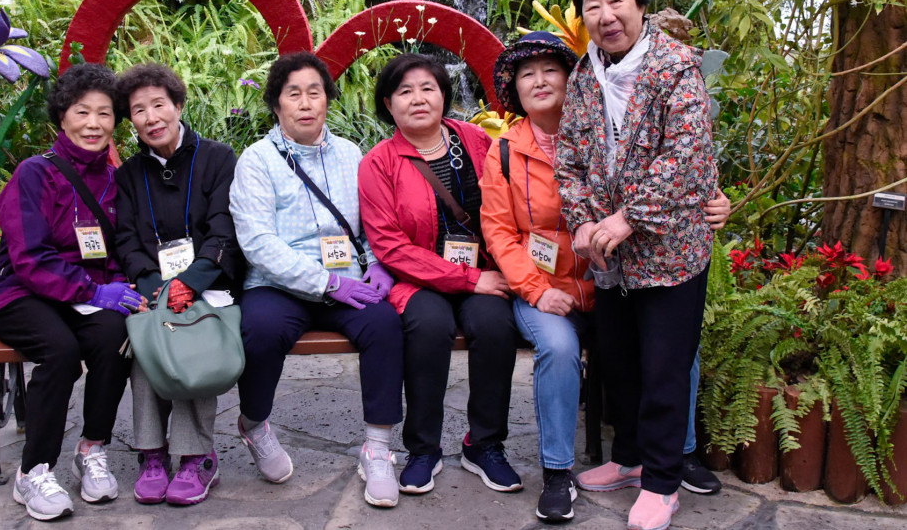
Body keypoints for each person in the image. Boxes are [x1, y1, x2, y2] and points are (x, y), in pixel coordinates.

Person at [480, 33, 731, 524]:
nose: (539, 81)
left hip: (616, 280)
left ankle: (678, 454)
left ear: (573, 80)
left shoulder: (606, 130)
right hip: (547, 289)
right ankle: (557, 471)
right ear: (515, 90)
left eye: (550, 70)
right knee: (558, 348)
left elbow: (671, 171)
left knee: (674, 347)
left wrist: (714, 202)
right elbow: (499, 233)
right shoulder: (505, 151)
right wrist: (536, 291)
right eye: (526, 74)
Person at [555, 0, 718, 530]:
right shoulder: (585, 75)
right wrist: (582, 222)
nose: (605, 15)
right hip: (610, 258)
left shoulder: (676, 68)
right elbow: (569, 159)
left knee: (665, 369)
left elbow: (686, 157)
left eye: (615, 0)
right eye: (592, 6)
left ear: (641, 4)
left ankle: (662, 482)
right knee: (620, 362)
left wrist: (628, 218)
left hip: (671, 253)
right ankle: (628, 459)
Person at [229, 52, 404, 508]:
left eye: (315, 92)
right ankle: (254, 424)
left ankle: (377, 448)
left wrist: (377, 263)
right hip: (278, 284)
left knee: (385, 325)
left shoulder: (350, 154)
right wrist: (326, 283)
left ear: (327, 99)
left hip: (348, 277)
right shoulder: (257, 161)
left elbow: (370, 223)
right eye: (294, 94)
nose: (305, 103)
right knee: (260, 329)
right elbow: (258, 242)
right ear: (276, 104)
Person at [359, 53, 523, 497]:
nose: (418, 99)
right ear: (388, 104)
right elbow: (390, 246)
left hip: (482, 270)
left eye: (427, 88)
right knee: (428, 327)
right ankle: (423, 448)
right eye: (404, 91)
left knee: (495, 325)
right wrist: (468, 280)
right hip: (419, 279)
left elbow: (509, 205)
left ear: (444, 95)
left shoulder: (476, 141)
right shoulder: (378, 163)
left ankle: (484, 444)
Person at [0, 63, 143, 522]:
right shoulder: (35, 174)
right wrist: (94, 291)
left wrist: (119, 284)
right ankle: (33, 471)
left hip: (85, 295)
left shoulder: (114, 179)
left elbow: (118, 247)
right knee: (59, 351)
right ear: (62, 116)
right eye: (82, 112)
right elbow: (30, 258)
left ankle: (92, 448)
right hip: (24, 292)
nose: (93, 124)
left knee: (116, 338)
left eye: (104, 113)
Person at [113, 63, 243, 506]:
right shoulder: (128, 175)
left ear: (179, 105)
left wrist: (190, 283)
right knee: (147, 339)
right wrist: (156, 288)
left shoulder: (219, 159)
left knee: (193, 340)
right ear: (131, 120)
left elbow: (224, 228)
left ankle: (196, 457)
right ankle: (152, 454)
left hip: (209, 283)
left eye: (159, 105)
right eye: (139, 110)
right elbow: (126, 240)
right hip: (154, 286)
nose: (151, 118)